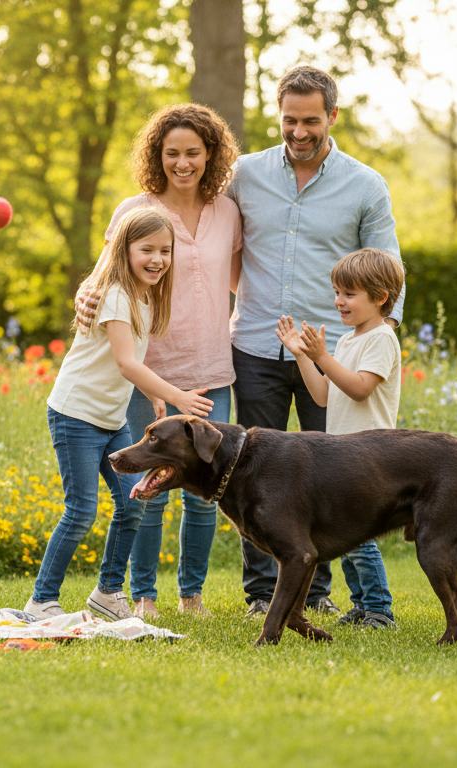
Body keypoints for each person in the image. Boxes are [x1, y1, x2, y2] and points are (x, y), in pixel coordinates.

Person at [227, 64, 406, 618]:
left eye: (310, 121)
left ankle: (316, 593)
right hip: (256, 344)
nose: (298, 132)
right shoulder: (244, 174)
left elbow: (389, 266)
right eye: (289, 120)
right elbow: (202, 234)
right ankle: (263, 595)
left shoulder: (365, 185)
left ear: (332, 116)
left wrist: (379, 338)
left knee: (329, 479)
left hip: (332, 354)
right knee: (251, 476)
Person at [74, 104, 242, 619]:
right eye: (172, 153)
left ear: (210, 155)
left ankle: (192, 596)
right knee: (150, 486)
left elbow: (240, 282)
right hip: (151, 372)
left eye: (193, 152)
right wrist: (83, 295)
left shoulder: (227, 212)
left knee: (206, 490)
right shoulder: (135, 209)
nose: (182, 163)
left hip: (212, 371)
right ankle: (144, 596)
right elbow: (102, 279)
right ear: (157, 155)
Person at [26, 207, 214, 621]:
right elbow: (127, 363)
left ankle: (108, 593)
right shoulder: (115, 295)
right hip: (76, 414)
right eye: (147, 249)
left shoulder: (144, 297)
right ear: (124, 250)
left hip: (111, 420)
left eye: (165, 250)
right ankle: (41, 601)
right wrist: (176, 396)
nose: (157, 259)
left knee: (133, 503)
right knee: (80, 511)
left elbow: (128, 361)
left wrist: (153, 392)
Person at [274, 247, 404, 628]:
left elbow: (361, 388)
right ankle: (362, 605)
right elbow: (323, 395)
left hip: (369, 455)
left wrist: (323, 357)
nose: (339, 301)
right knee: (343, 536)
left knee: (359, 538)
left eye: (349, 293)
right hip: (341, 453)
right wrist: (303, 355)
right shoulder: (348, 340)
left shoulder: (381, 338)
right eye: (336, 292)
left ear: (379, 297)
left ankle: (380, 609)